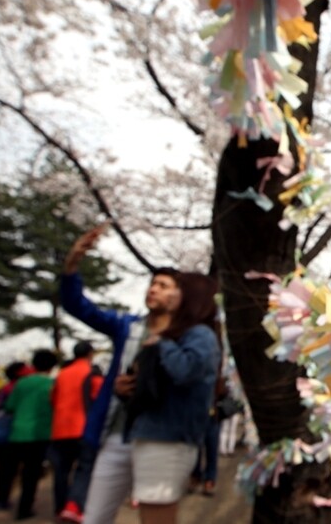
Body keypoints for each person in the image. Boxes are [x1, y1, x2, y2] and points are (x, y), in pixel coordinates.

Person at [59, 224, 219, 524]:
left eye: (163, 285)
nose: (154, 289)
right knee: (95, 515)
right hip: (120, 432)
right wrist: (72, 267)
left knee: (155, 509)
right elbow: (80, 308)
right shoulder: (129, 327)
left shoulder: (190, 335)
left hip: (161, 434)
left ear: (179, 295)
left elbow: (191, 374)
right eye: (152, 284)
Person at [51, 340, 103, 520]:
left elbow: (54, 399)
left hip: (59, 430)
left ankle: (59, 507)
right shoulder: (91, 373)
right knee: (85, 468)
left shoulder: (62, 373)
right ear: (90, 354)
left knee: (61, 470)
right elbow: (99, 399)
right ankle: (74, 505)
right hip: (83, 428)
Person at [5, 349, 59, 520]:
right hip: (40, 434)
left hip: (17, 433)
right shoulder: (52, 384)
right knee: (32, 472)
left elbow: (9, 406)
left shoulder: (21, 383)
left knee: (14, 470)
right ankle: (25, 509)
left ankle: (6, 501)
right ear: (52, 366)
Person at [0, 361, 32, 511]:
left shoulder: (0, 391)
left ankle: (1, 500)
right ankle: (23, 504)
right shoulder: (21, 389)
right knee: (22, 468)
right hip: (16, 434)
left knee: (5, 469)